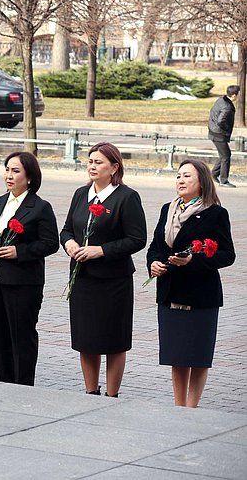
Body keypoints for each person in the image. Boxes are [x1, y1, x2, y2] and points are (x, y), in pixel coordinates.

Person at [146, 159, 235, 407]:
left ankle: (192, 407)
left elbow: (227, 255)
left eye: (187, 176)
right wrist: (153, 264)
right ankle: (179, 406)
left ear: (201, 182)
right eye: (178, 176)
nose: (181, 181)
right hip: (170, 291)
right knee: (177, 355)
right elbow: (156, 246)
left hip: (200, 296)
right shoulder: (168, 209)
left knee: (198, 356)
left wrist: (192, 260)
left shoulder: (215, 213)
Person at [60, 142, 146, 397]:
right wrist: (70, 244)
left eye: (99, 162)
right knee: (86, 338)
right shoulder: (81, 194)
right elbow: (65, 229)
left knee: (113, 339)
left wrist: (101, 250)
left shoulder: (126, 197)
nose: (92, 166)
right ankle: (90, 391)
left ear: (114, 167)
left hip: (113, 281)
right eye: (90, 161)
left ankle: (112, 394)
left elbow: (137, 239)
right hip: (82, 278)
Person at [0, 152, 59, 385]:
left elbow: (51, 243)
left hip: (22, 283)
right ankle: (2, 382)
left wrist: (20, 252)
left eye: (15, 171)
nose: (9, 176)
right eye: (7, 170)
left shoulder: (40, 207)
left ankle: (23, 385)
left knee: (21, 336)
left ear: (30, 177)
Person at [208, 85, 238, 187]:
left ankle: (214, 174)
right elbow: (221, 121)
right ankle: (224, 180)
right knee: (226, 156)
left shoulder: (221, 99)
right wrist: (226, 129)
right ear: (234, 95)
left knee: (224, 155)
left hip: (213, 131)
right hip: (219, 134)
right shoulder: (227, 107)